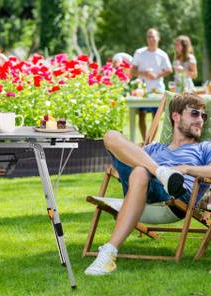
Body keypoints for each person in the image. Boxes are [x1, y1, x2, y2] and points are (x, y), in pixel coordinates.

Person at [85, 93, 211, 276]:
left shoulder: (204, 147)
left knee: (140, 171)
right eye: (194, 113)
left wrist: (185, 168)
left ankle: (109, 253)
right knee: (111, 136)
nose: (200, 120)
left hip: (175, 196)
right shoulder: (154, 148)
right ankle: (161, 172)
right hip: (140, 187)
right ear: (175, 116)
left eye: (203, 116)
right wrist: (153, 168)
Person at [131, 28, 172, 141]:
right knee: (141, 115)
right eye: (148, 37)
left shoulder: (162, 54)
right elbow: (132, 71)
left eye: (153, 36)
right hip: (142, 90)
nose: (151, 39)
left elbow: (169, 69)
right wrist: (144, 73)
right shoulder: (139, 53)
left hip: (158, 90)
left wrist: (157, 75)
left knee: (156, 118)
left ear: (158, 38)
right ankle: (145, 141)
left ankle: (149, 143)